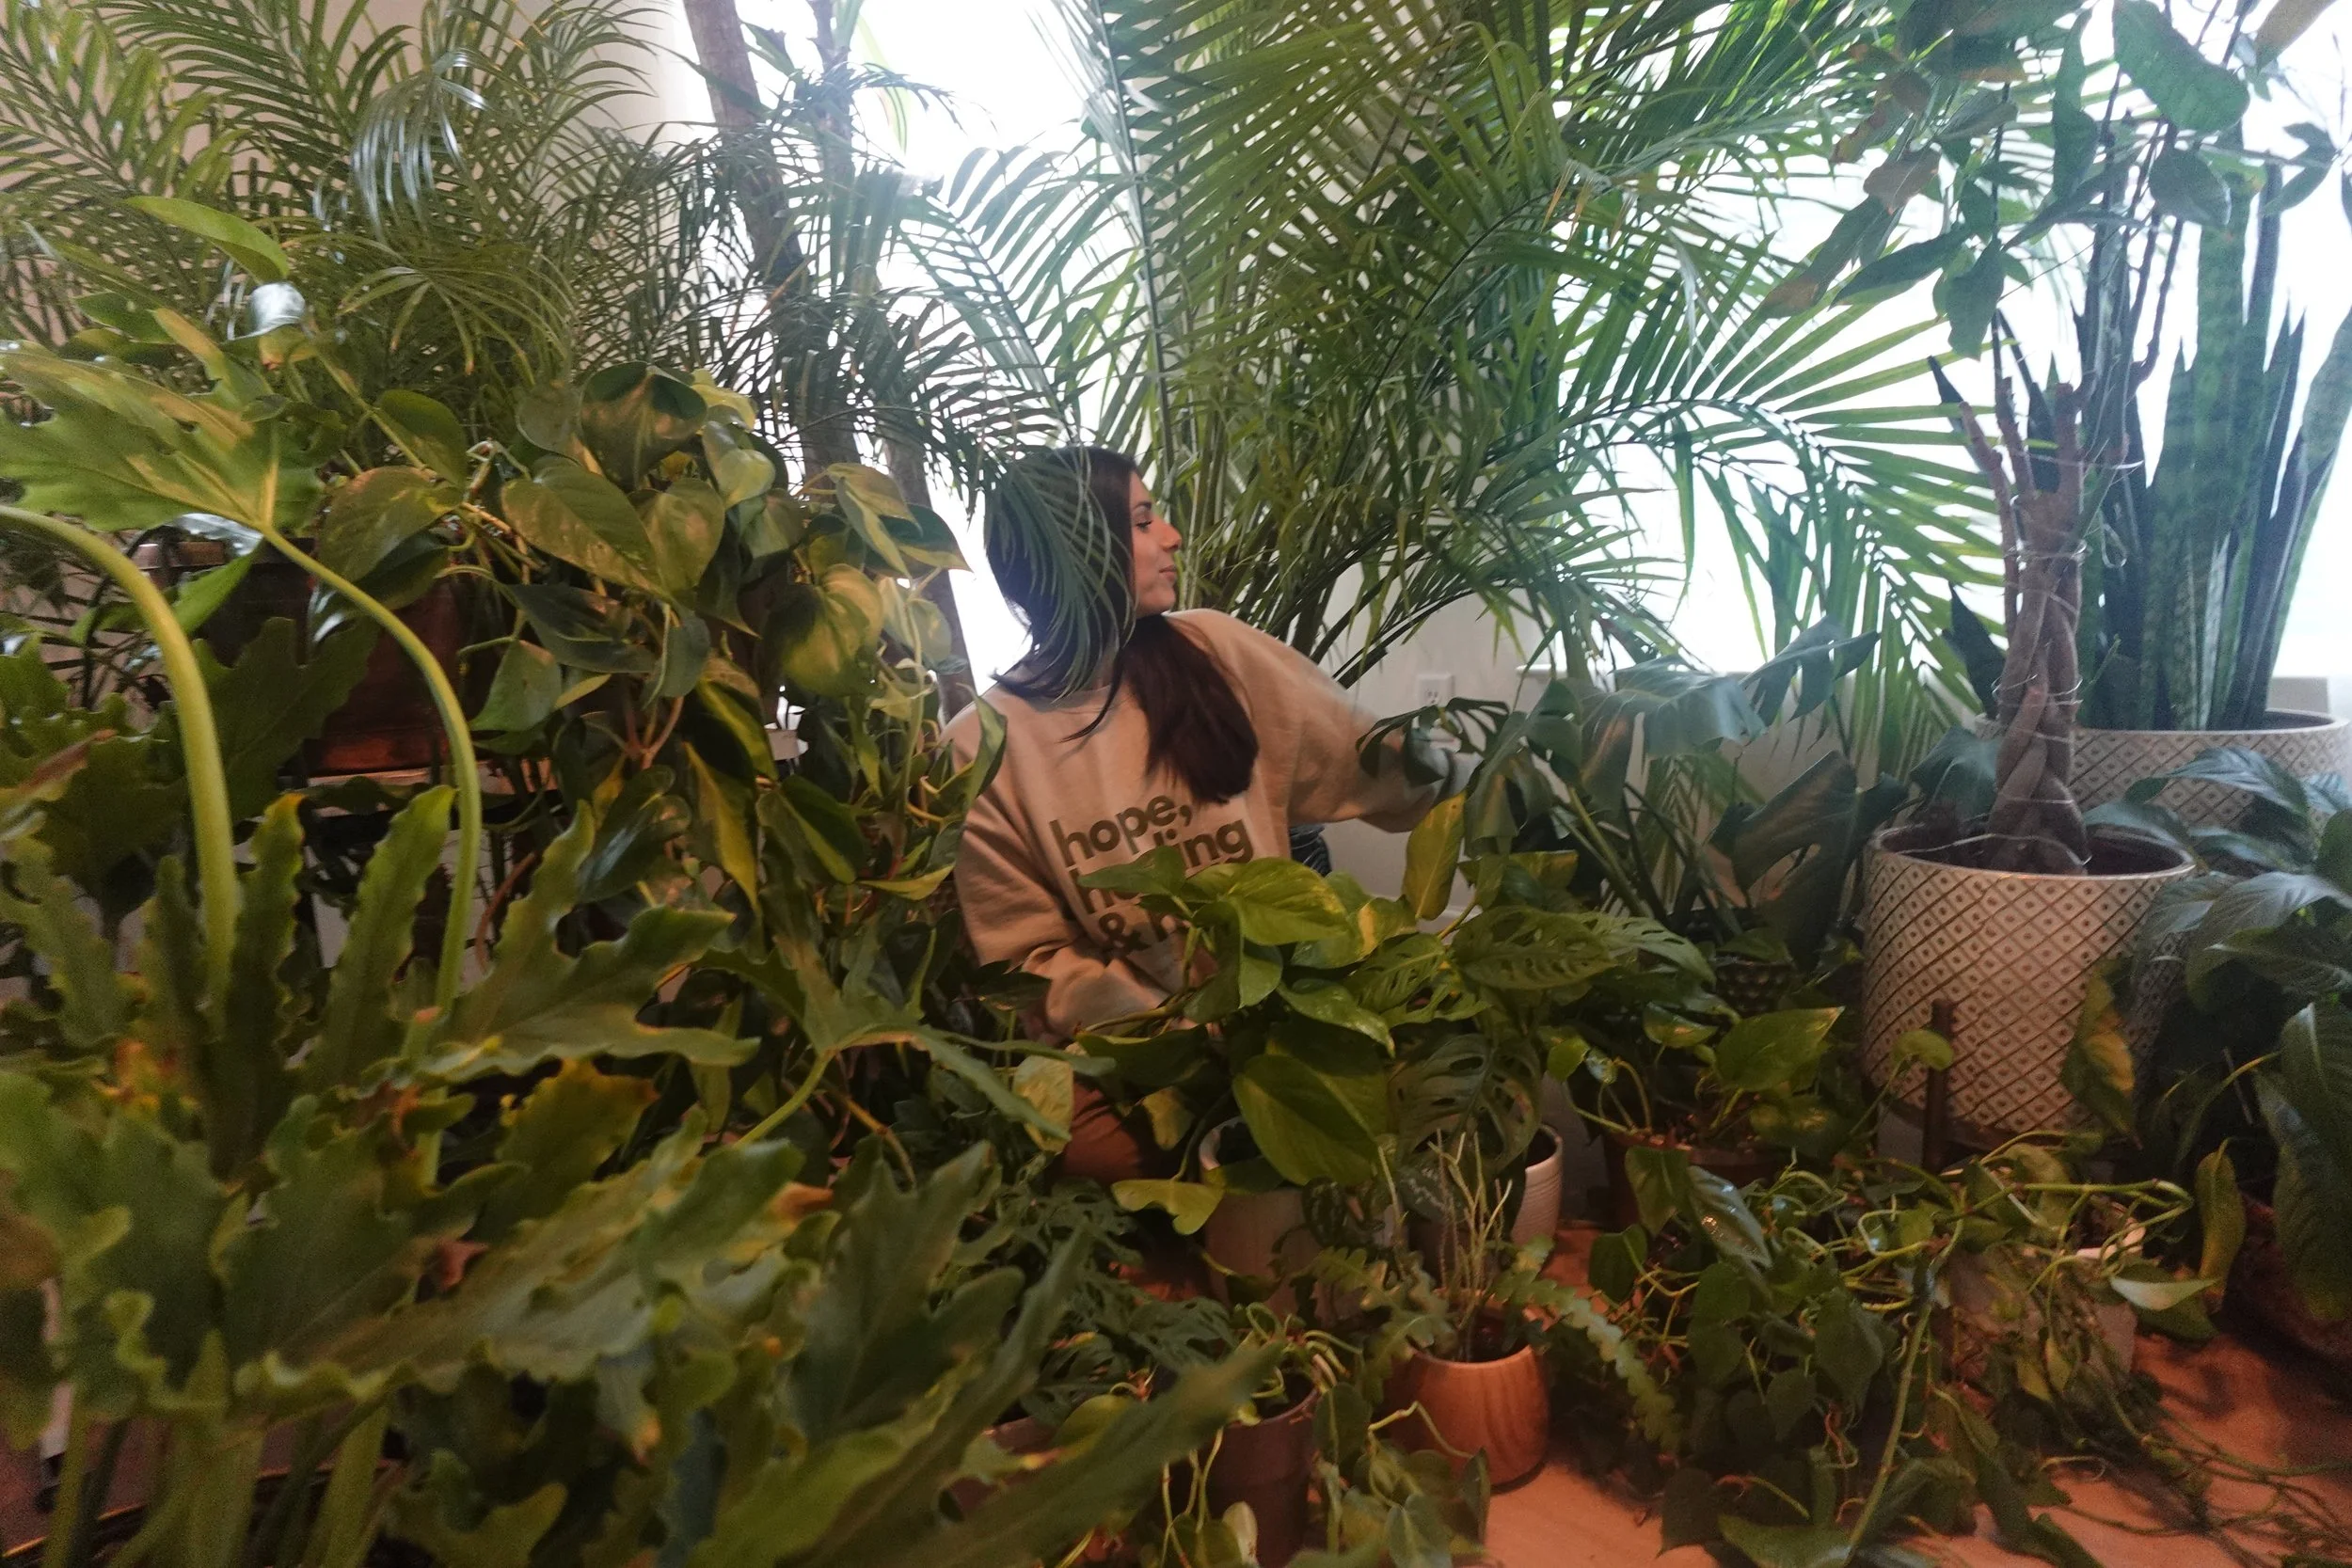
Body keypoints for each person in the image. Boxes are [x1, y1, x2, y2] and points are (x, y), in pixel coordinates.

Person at [946, 446, 1458, 1045]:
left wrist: (1493, 786)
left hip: (1287, 1021)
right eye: (1141, 522)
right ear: (1073, 549)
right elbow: (1030, 964)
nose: (1172, 536)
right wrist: (1187, 1036)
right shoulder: (981, 746)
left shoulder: (1216, 652)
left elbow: (1368, 756)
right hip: (1137, 1056)